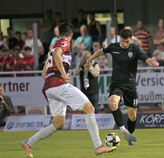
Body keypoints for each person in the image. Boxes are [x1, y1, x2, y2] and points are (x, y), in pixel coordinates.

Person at [21, 22, 116, 158]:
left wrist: (56, 77)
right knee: (89, 108)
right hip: (58, 85)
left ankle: (28, 143)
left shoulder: (51, 48)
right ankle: (98, 146)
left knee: (58, 123)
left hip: (49, 88)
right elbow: (58, 55)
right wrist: (64, 75)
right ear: (71, 35)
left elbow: (44, 73)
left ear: (59, 33)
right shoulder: (64, 43)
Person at [85, 29, 159, 145]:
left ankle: (129, 135)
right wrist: (90, 59)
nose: (126, 44)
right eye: (124, 42)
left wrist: (152, 63)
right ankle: (122, 130)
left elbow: (146, 58)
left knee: (133, 116)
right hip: (117, 83)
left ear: (131, 40)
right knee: (113, 103)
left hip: (130, 85)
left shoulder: (134, 48)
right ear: (120, 39)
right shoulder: (114, 47)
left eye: (128, 42)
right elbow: (101, 51)